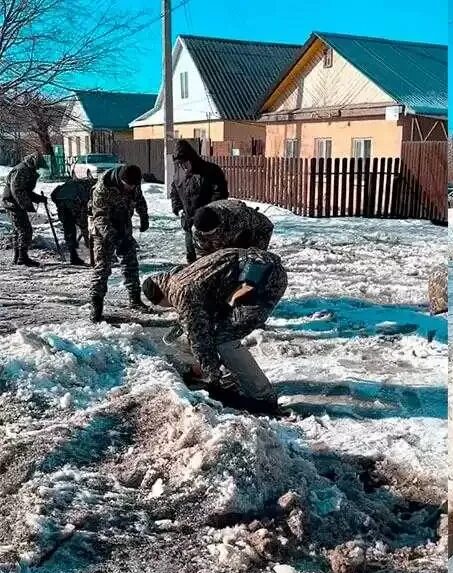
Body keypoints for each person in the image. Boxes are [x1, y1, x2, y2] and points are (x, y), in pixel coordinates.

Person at [142, 248, 288, 404]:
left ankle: (263, 397)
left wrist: (213, 378)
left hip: (263, 278)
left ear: (162, 297)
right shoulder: (178, 276)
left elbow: (200, 341)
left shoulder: (181, 293)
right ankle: (229, 372)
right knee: (216, 326)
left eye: (167, 305)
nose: (171, 307)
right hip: (260, 265)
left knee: (224, 339)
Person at [89, 165, 150, 322]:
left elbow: (139, 199)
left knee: (131, 262)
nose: (132, 188)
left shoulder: (133, 181)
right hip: (103, 230)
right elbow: (100, 216)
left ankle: (135, 300)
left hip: (123, 225)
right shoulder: (103, 188)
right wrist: (112, 237)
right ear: (121, 180)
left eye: (134, 185)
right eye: (128, 185)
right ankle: (96, 306)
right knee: (102, 267)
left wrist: (144, 216)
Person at [170, 139, 229, 264]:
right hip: (188, 220)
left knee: (211, 257)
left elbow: (220, 193)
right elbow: (174, 191)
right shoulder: (179, 173)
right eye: (179, 164)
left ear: (191, 159)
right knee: (191, 257)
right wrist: (178, 208)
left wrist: (205, 213)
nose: (183, 167)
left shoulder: (211, 171)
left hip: (207, 222)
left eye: (185, 163)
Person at [2, 153, 48, 266]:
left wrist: (39, 198)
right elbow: (17, 191)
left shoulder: (26, 169)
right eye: (38, 166)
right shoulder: (21, 170)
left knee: (18, 231)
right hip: (13, 204)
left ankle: (18, 257)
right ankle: (22, 258)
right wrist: (27, 206)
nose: (38, 169)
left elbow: (26, 191)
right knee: (25, 230)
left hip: (14, 204)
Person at [191, 199, 273, 257]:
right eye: (206, 234)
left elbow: (264, 227)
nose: (209, 236)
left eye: (211, 232)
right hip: (232, 232)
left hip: (258, 229)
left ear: (218, 224)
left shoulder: (238, 215)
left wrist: (244, 254)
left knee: (250, 261)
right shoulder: (197, 229)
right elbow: (202, 252)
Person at [51, 177, 95, 266]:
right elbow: (87, 202)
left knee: (69, 230)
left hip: (61, 204)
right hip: (74, 203)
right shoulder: (90, 187)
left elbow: (53, 194)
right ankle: (94, 256)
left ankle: (73, 256)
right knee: (86, 227)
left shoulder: (71, 184)